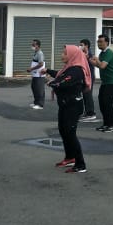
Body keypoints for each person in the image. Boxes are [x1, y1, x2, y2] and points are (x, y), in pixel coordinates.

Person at [47, 45, 89, 173]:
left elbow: (63, 81)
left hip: (73, 106)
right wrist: (48, 71)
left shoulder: (77, 70)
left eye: (65, 53)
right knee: (63, 130)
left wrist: (51, 82)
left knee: (70, 133)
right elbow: (60, 75)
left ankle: (80, 164)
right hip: (65, 104)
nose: (62, 55)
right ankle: (70, 157)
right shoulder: (69, 68)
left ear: (72, 55)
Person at [90, 35, 113, 133]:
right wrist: (90, 60)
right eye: (98, 41)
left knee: (107, 103)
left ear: (107, 42)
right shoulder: (102, 53)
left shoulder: (109, 52)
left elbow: (102, 66)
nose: (99, 43)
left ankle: (112, 124)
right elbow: (99, 65)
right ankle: (106, 124)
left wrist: (96, 60)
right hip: (105, 81)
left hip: (112, 81)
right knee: (102, 102)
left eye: (101, 41)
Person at [79, 39, 97, 122]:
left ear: (86, 46)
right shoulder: (83, 54)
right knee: (85, 95)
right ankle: (87, 112)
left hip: (89, 77)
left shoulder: (89, 54)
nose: (80, 46)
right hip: (85, 77)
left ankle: (91, 113)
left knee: (88, 94)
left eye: (82, 45)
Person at [28, 39, 46, 110]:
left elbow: (41, 64)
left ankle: (40, 104)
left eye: (33, 45)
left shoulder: (40, 53)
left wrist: (31, 69)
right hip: (35, 74)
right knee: (34, 87)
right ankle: (36, 102)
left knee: (39, 89)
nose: (32, 46)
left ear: (37, 45)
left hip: (39, 75)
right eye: (32, 44)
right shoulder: (36, 52)